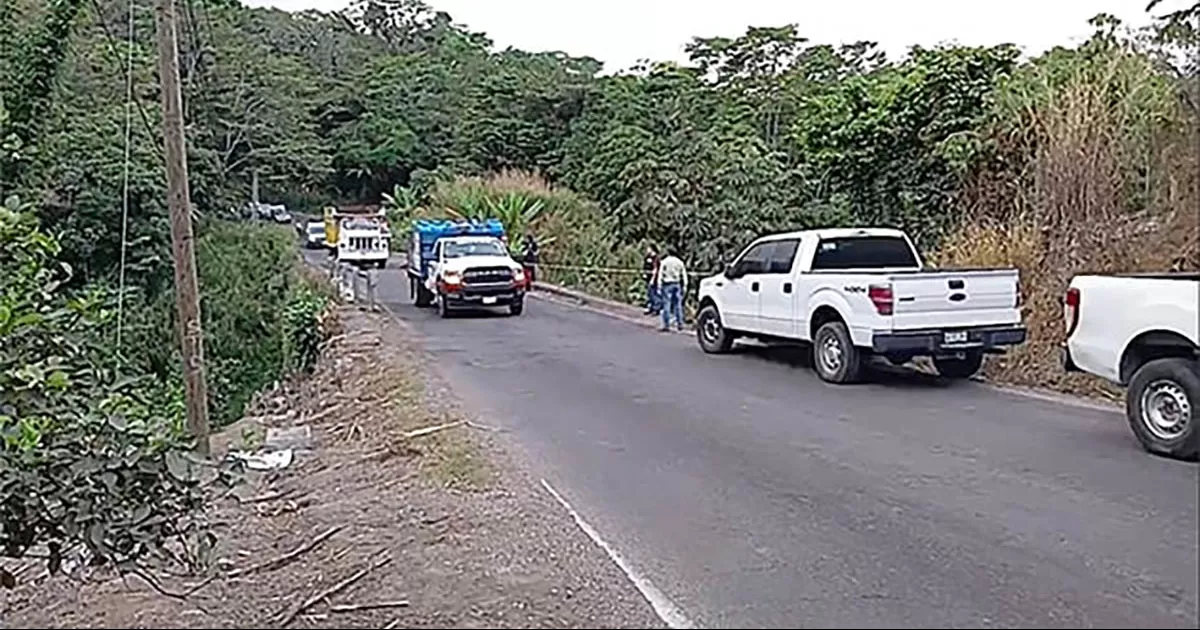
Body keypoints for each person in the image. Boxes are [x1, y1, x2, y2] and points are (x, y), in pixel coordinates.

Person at [656, 247, 687, 332]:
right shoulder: (679, 262)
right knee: (678, 305)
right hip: (677, 284)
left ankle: (666, 325)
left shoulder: (665, 261)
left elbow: (660, 273)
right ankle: (680, 324)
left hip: (667, 284)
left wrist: (659, 284)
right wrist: (685, 285)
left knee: (667, 304)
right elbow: (684, 274)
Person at [642, 245, 660, 315]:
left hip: (654, 279)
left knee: (654, 293)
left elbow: (655, 269)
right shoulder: (647, 257)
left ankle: (656, 308)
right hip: (648, 278)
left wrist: (653, 279)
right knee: (649, 293)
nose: (647, 250)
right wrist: (644, 273)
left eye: (648, 249)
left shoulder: (656, 258)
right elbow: (645, 266)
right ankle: (650, 307)